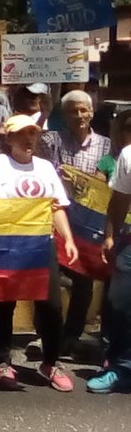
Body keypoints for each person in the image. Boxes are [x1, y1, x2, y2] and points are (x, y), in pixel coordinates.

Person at [0, 114, 79, 392]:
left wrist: (69, 239)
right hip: (8, 243)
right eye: (23, 134)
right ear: (9, 138)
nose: (29, 139)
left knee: (51, 305)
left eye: (33, 134)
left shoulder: (46, 168)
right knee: (4, 304)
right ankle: (2, 361)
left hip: (41, 244)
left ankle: (50, 361)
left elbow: (56, 206)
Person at [38, 90, 111, 357]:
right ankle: (45, 331)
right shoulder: (54, 140)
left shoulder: (106, 145)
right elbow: (32, 141)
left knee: (83, 281)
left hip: (87, 224)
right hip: (55, 217)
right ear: (64, 115)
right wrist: (44, 113)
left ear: (92, 112)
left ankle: (72, 335)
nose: (79, 116)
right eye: (73, 111)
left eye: (84, 110)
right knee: (47, 277)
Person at [91, 141, 131, 393]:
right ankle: (119, 367)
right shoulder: (128, 155)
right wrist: (109, 236)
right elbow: (119, 200)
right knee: (120, 302)